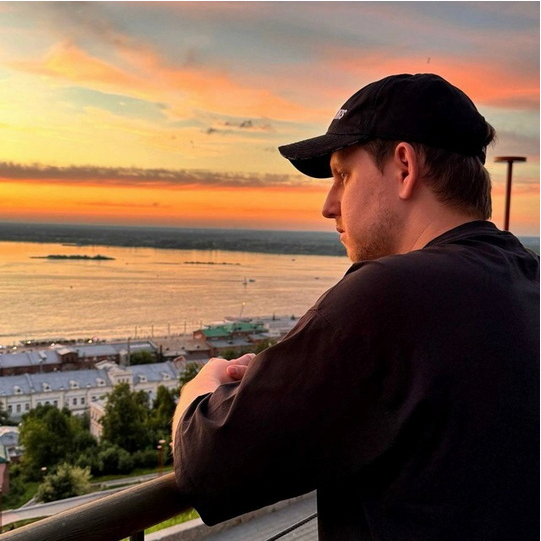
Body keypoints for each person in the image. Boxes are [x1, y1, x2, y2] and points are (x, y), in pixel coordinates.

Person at [172, 73, 539, 540]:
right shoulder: (525, 278)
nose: (329, 205)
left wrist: (203, 387)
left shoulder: (392, 293)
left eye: (343, 176)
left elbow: (207, 463)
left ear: (404, 167)